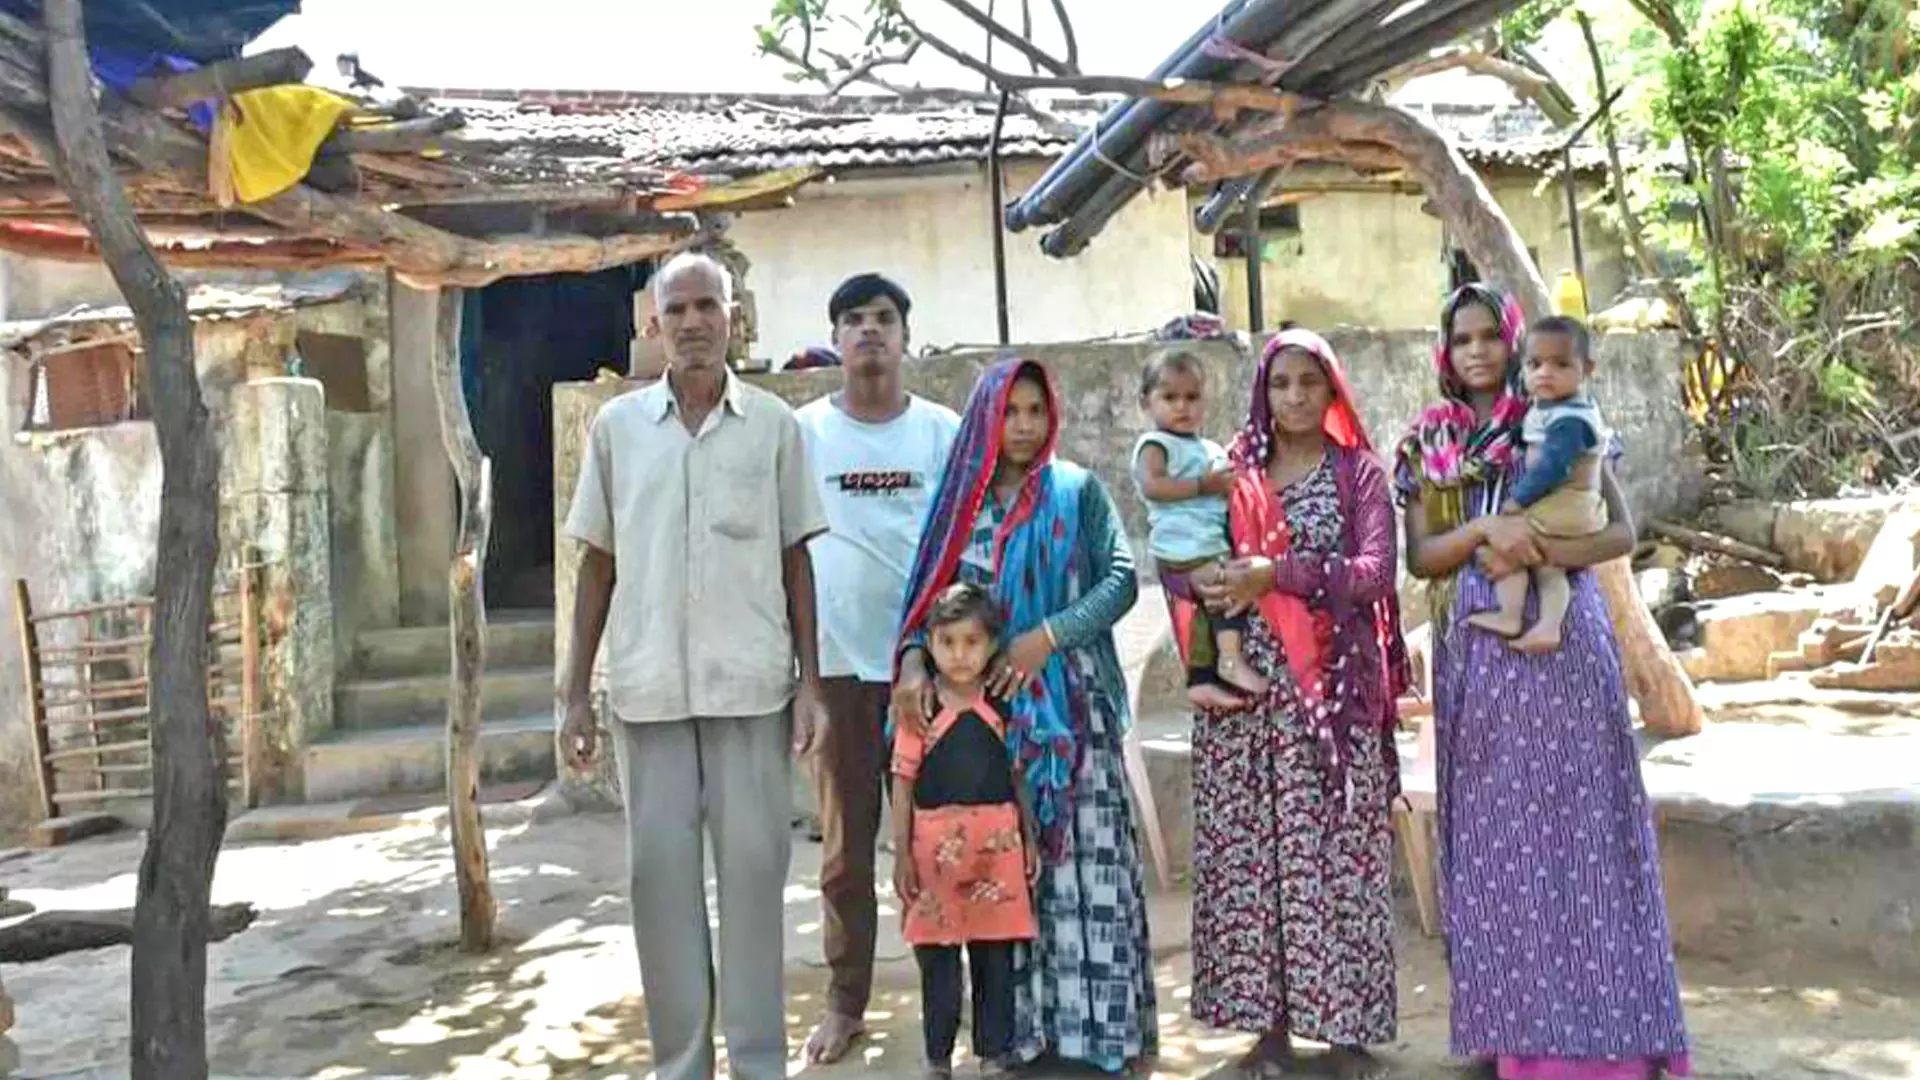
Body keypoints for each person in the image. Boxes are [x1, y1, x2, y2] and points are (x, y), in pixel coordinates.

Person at [1398, 284, 1689, 1080]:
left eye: (1493, 335)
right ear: (1445, 352)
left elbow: (1622, 532)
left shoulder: (1570, 421)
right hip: (1483, 660)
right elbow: (1420, 557)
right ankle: (1515, 1036)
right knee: (1498, 845)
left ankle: (1610, 1037)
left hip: (1566, 649)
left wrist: (1541, 552)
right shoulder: (1431, 440)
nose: (1481, 352)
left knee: (1588, 833)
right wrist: (1486, 530)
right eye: (1462, 339)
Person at [558, 252, 831, 1080]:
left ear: (734, 315)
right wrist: (573, 693)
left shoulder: (776, 428)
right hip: (646, 695)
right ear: (653, 324)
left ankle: (756, 1064)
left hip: (751, 688)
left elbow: (797, 562)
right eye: (675, 309)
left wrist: (812, 684)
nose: (692, 322)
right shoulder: (617, 431)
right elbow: (597, 564)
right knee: (659, 887)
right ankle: (680, 1064)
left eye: (707, 305)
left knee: (754, 881)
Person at [894, 357, 1157, 1073]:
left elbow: (1123, 579)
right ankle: (1023, 1036)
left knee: (1089, 865)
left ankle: (1107, 1036)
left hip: (1076, 714)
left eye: (1036, 411)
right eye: (1010, 411)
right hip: (992, 724)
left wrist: (1048, 637)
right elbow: (926, 607)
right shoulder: (959, 504)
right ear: (986, 416)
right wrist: (915, 661)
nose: (1024, 426)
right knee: (1012, 876)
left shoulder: (1077, 491)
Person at [1186, 328, 1410, 1080]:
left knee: (1340, 857)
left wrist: (1272, 574)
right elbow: (1187, 550)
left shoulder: (1360, 475)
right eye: (1280, 383)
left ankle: (1349, 1032)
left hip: (1331, 699)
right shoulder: (1232, 471)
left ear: (1333, 388)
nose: (1294, 397)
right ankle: (1268, 1032)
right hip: (1245, 700)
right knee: (1254, 862)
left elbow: (1376, 573)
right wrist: (1217, 583)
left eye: (1309, 383)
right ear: (1263, 391)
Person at [796, 273, 961, 1064]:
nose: (869, 331)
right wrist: (798, 678)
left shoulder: (940, 432)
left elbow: (966, 552)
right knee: (845, 850)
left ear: (906, 337)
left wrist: (931, 653)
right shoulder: (803, 434)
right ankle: (845, 1002)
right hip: (834, 671)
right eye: (853, 319)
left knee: (939, 842)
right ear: (835, 338)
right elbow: (784, 552)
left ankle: (949, 1003)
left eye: (884, 318)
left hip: (930, 672)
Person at [891, 583, 1038, 1080]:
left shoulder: (1003, 704)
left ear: (992, 645)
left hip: (997, 850)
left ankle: (993, 1052)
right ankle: (938, 1057)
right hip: (934, 854)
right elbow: (903, 779)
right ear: (929, 644)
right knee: (938, 964)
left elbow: (1018, 772)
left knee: (994, 956)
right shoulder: (922, 707)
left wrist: (1031, 837)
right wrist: (901, 854)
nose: (959, 655)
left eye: (972, 642)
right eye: (947, 641)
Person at [1464, 315, 1612, 653]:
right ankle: (1544, 625)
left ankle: (1511, 613)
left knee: (1504, 543)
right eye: (1535, 364)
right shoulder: (1548, 408)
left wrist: (1517, 500)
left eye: (1560, 364)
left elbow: (1552, 467)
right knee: (1549, 570)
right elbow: (1527, 438)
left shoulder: (1571, 419)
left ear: (1586, 369)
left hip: (1566, 503)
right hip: (1565, 506)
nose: (1545, 372)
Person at [1130, 348, 1268, 710]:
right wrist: (1201, 486)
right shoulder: (1155, 446)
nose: (1182, 407)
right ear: (1146, 402)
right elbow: (1153, 486)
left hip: (1209, 543)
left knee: (1209, 610)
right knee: (1228, 588)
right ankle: (1230, 660)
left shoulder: (1207, 449)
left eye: (1191, 397)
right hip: (1183, 548)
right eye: (1170, 397)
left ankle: (1201, 678)